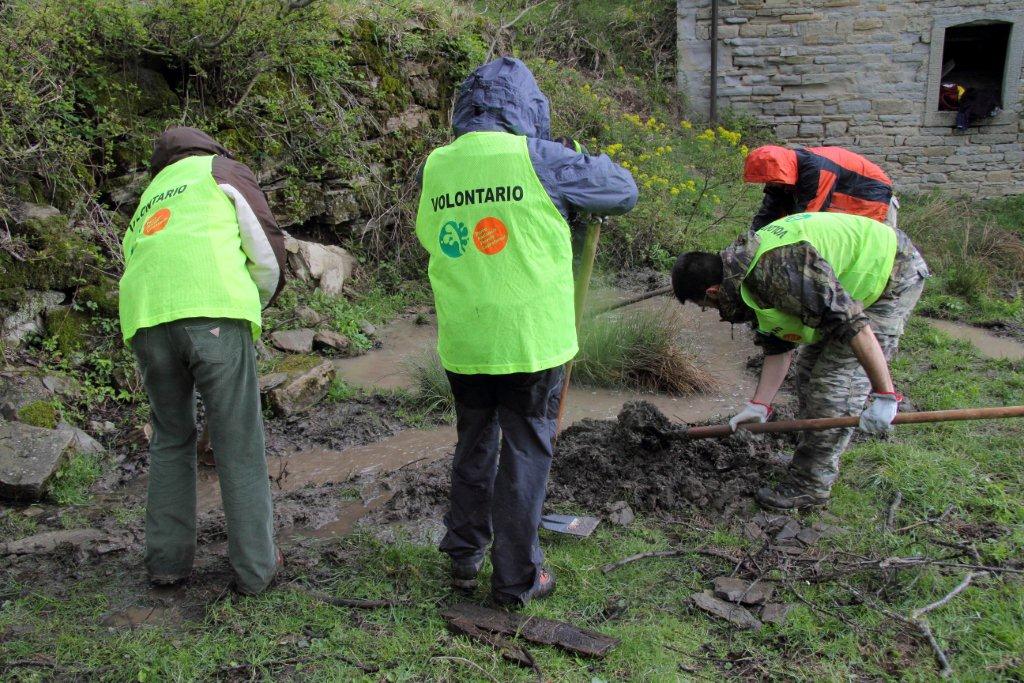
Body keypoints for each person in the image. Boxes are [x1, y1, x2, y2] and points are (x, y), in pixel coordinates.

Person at [415, 57, 637, 606]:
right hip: (531, 340)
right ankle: (516, 579)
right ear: (528, 109)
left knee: (473, 442)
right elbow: (623, 190)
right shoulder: (542, 158)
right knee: (524, 451)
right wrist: (570, 155)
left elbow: (431, 234)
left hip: (466, 339)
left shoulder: (438, 164)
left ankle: (464, 553)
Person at [119, 127, 286, 594]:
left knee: (170, 438)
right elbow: (267, 248)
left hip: (147, 319)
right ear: (209, 148)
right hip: (213, 313)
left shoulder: (150, 196)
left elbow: (135, 256)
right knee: (238, 441)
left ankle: (167, 564)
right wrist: (251, 301)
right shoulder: (222, 171)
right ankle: (256, 570)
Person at [671, 211, 928, 511]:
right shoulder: (743, 271)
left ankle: (811, 484)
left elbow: (852, 323)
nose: (710, 311)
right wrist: (760, 405)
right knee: (806, 373)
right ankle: (808, 457)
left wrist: (885, 395)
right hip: (848, 284)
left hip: (890, 275)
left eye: (704, 306)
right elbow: (779, 342)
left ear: (712, 291)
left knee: (834, 389)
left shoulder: (777, 271)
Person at [744, 145, 899, 230]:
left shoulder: (817, 170)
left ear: (782, 171)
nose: (770, 185)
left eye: (772, 181)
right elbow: (769, 213)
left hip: (875, 202)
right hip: (843, 211)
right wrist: (751, 242)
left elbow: (806, 221)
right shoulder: (782, 177)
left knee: (873, 256)